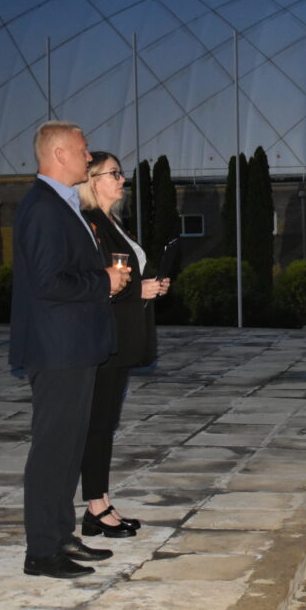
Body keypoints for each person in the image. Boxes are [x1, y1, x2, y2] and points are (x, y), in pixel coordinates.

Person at [9, 121, 130, 579]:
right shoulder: (44, 207)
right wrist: (103, 281)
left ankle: (60, 536)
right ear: (59, 154)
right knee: (52, 451)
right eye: (82, 150)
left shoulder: (62, 203)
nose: (88, 156)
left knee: (68, 447)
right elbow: (47, 282)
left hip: (73, 347)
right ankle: (41, 552)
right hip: (56, 349)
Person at [77, 152, 170, 539]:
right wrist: (136, 291)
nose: (121, 180)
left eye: (120, 173)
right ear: (92, 181)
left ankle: (100, 502)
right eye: (113, 173)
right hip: (104, 336)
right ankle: (96, 507)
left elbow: (124, 275)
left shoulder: (112, 222)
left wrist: (151, 284)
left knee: (104, 424)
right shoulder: (89, 223)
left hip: (121, 335)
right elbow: (95, 281)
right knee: (97, 425)